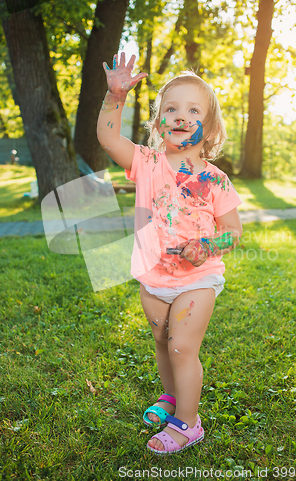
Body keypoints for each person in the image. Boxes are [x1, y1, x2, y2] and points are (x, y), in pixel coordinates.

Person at [97, 52, 243, 454]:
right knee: (163, 341)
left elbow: (233, 232)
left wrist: (208, 246)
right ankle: (172, 396)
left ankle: (188, 424)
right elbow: (109, 138)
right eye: (171, 108)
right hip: (153, 277)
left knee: (182, 346)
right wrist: (115, 97)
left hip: (198, 278)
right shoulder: (146, 163)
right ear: (159, 122)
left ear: (209, 126)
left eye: (193, 109)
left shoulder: (215, 180)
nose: (181, 115)